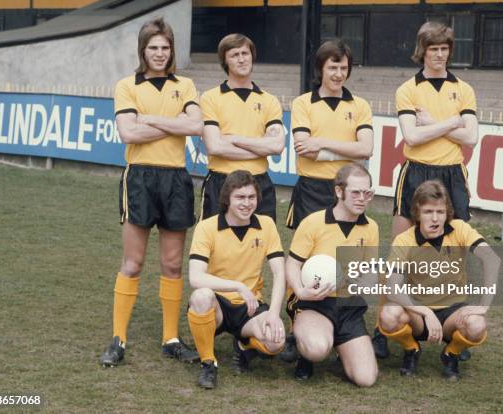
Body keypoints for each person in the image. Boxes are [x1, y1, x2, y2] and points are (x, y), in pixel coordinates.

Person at [373, 20, 480, 358]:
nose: (438, 54)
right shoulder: (408, 89)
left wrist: (435, 121)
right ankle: (383, 324)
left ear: (450, 50)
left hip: (452, 174)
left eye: (444, 48)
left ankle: (453, 325)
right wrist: (454, 123)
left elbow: (472, 137)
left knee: (454, 250)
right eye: (432, 48)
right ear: (422, 50)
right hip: (416, 172)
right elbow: (412, 137)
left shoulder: (463, 88)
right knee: (399, 252)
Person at [99, 17, 202, 367]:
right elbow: (128, 134)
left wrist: (150, 120)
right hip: (140, 178)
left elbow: (196, 126)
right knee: (133, 262)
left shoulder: (185, 85)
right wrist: (173, 125)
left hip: (176, 178)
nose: (160, 53)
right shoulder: (127, 85)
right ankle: (118, 339)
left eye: (165, 47)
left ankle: (171, 339)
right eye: (153, 47)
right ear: (143, 50)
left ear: (172, 50)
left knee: (172, 264)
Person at [282, 39, 374, 362]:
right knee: (304, 259)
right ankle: (299, 326)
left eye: (344, 68)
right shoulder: (304, 103)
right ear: (320, 68)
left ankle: (341, 326)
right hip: (311, 188)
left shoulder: (359, 105)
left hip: (347, 192)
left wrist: (323, 145)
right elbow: (303, 147)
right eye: (332, 67)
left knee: (346, 257)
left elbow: (366, 149)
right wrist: (339, 148)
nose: (338, 73)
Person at [378, 180, 500, 380]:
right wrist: (424, 311)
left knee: (477, 325)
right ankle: (411, 350)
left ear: (447, 212)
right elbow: (392, 287)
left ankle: (451, 353)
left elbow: (492, 260)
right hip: (418, 311)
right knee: (389, 315)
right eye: (428, 212)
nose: (435, 218)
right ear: (417, 213)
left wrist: (484, 306)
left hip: (453, 311)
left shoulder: (459, 229)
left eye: (440, 212)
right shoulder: (405, 240)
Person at [187, 170, 286, 389]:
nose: (247, 203)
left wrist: (273, 314)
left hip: (249, 307)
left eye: (251, 197)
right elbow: (195, 277)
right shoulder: (207, 227)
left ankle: (243, 344)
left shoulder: (266, 224)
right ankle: (208, 363)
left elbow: (280, 273)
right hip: (218, 305)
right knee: (201, 297)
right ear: (227, 199)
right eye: (240, 197)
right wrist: (238, 286)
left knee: (275, 342)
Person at [285, 163, 379, 386]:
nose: (362, 198)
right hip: (315, 303)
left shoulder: (371, 227)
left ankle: (340, 343)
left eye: (367, 193)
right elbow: (292, 264)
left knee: (366, 379)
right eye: (355, 192)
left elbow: (370, 272)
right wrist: (301, 292)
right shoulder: (313, 222)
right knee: (317, 349)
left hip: (349, 306)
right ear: (339, 191)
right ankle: (305, 352)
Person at [199, 33, 285, 221]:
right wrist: (260, 149)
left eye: (245, 53)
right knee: (218, 245)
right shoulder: (210, 98)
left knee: (261, 245)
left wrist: (235, 139)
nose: (241, 59)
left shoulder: (269, 100)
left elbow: (277, 147)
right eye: (234, 55)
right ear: (225, 61)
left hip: (258, 181)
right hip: (221, 181)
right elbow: (215, 147)